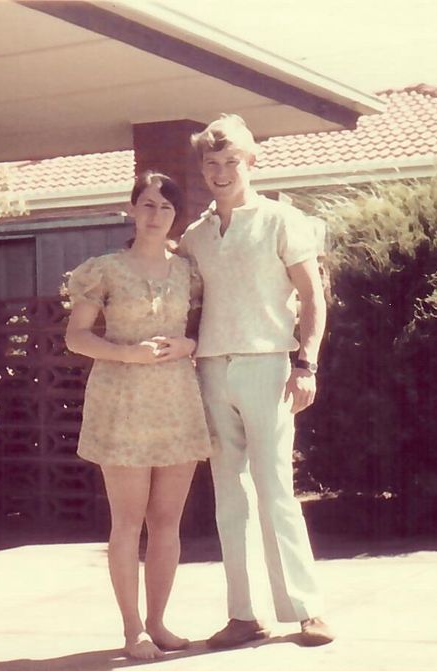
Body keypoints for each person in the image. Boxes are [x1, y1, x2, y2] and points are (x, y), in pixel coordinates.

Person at [178, 114, 334, 648]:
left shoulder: (281, 220)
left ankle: (308, 610)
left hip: (269, 366)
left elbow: (313, 298)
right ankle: (243, 614)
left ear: (251, 163)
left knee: (275, 491)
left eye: (231, 162)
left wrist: (306, 364)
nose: (221, 172)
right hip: (211, 369)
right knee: (229, 495)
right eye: (212, 163)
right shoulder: (195, 236)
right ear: (203, 168)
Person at [64, 171, 214, 660]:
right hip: (121, 399)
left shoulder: (189, 271)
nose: (155, 215)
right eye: (147, 205)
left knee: (167, 521)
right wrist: (125, 354)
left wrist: (189, 343)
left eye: (165, 208)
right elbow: (76, 336)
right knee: (128, 521)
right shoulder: (103, 269)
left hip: (175, 399)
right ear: (133, 210)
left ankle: (159, 622)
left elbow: (210, 328)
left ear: (176, 216)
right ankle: (133, 630)